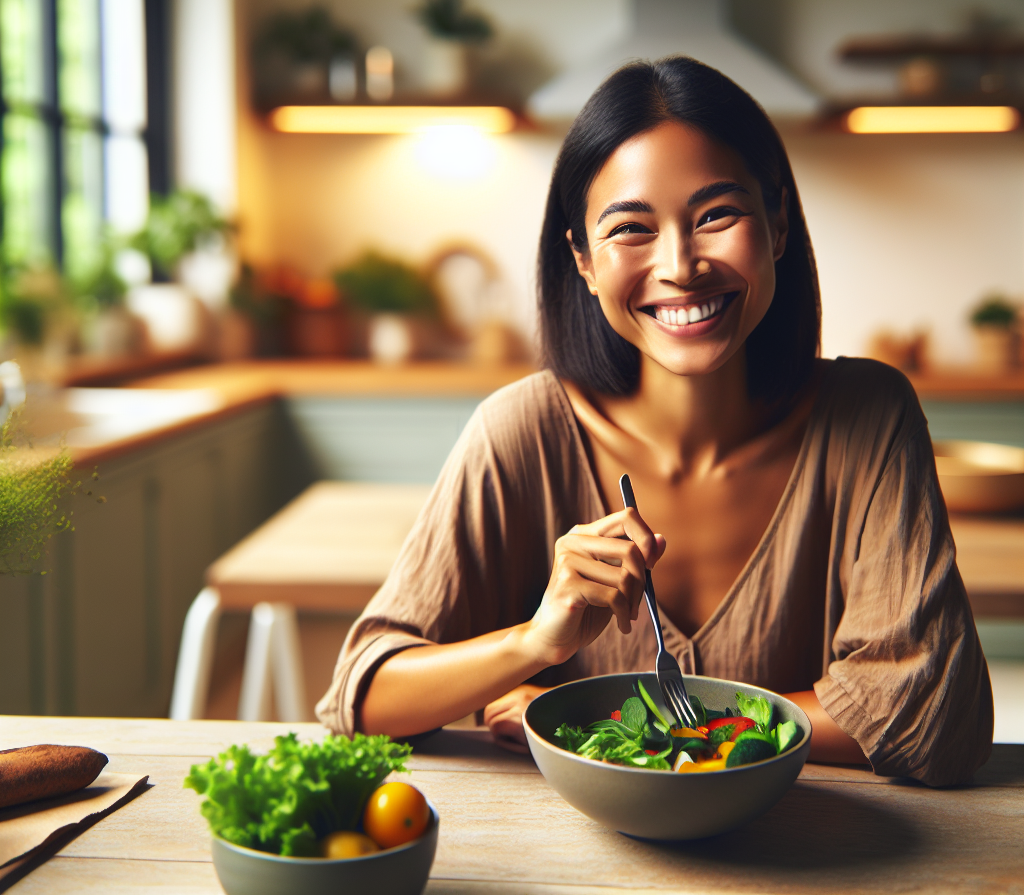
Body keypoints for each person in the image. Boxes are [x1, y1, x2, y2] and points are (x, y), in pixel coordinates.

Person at [316, 56, 992, 787]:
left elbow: (929, 719)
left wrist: (612, 729)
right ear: (582, 260)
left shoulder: (870, 417)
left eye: (716, 217)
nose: (680, 265)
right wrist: (533, 643)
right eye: (632, 229)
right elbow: (364, 698)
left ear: (779, 226)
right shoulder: (516, 431)